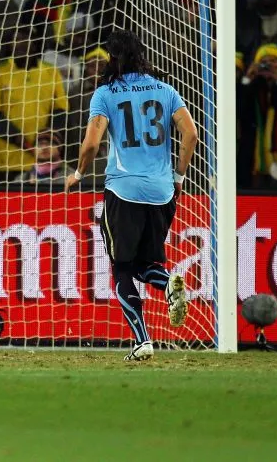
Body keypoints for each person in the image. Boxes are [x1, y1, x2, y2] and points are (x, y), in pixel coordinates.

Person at [64, 30, 198, 361]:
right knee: (144, 264)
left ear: (113, 59)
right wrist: (178, 176)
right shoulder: (166, 90)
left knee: (122, 268)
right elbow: (191, 134)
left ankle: (142, 340)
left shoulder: (105, 94)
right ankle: (167, 284)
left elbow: (93, 143)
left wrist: (79, 172)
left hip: (123, 190)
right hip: (162, 191)